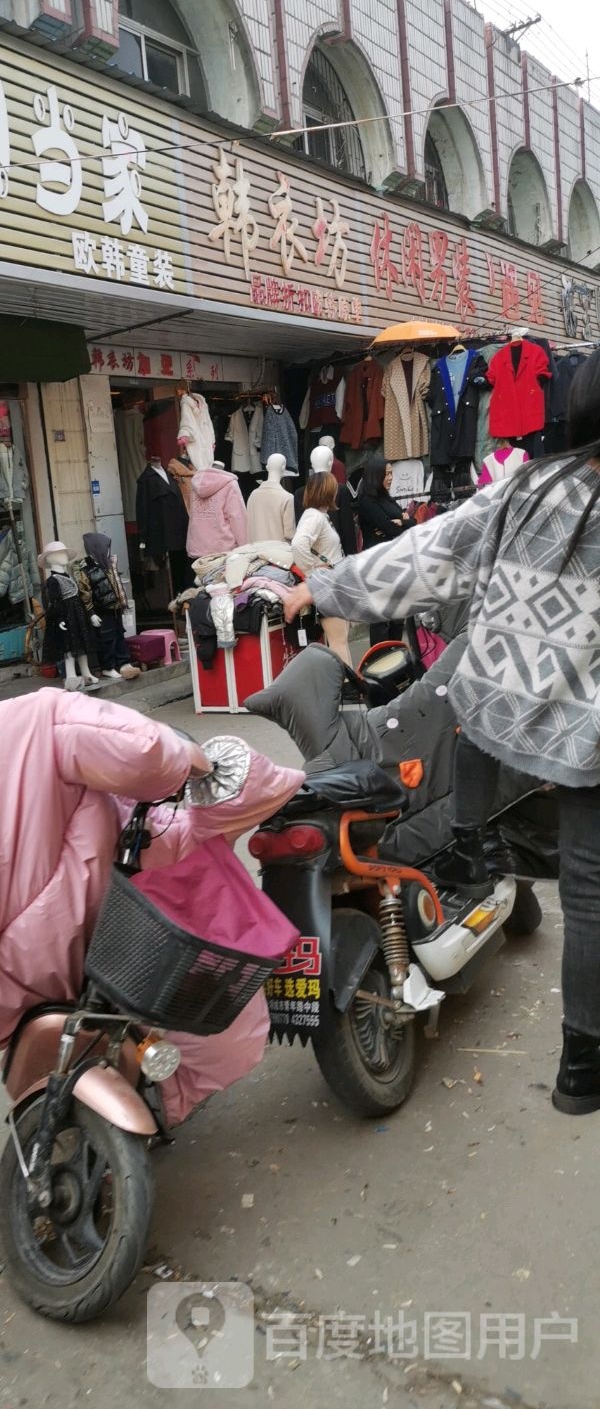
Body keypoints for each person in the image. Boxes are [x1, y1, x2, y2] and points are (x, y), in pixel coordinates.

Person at [283, 346, 600, 1116]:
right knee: (591, 890)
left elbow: (422, 558)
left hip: (502, 699)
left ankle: (471, 846)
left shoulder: (524, 488)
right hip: (585, 723)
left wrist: (320, 589)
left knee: (465, 711)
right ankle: (582, 1063)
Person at [0, 688, 304, 1126]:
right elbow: (144, 750)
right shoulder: (54, 714)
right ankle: (161, 1097)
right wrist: (192, 761)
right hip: (55, 933)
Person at [291, 472, 351, 664]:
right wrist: (313, 572)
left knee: (339, 641)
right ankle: (348, 687)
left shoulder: (319, 516)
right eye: (333, 488)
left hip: (332, 584)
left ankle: (351, 686)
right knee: (338, 642)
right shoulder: (314, 517)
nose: (336, 492)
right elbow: (298, 544)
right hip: (328, 586)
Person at [355, 455, 412, 646]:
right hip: (376, 567)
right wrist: (400, 523)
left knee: (397, 618)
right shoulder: (367, 502)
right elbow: (392, 529)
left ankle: (396, 666)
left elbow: (411, 524)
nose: (390, 478)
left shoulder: (386, 499)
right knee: (381, 621)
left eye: (391, 473)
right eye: (386, 474)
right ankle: (380, 667)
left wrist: (403, 521)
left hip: (396, 564)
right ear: (375, 475)